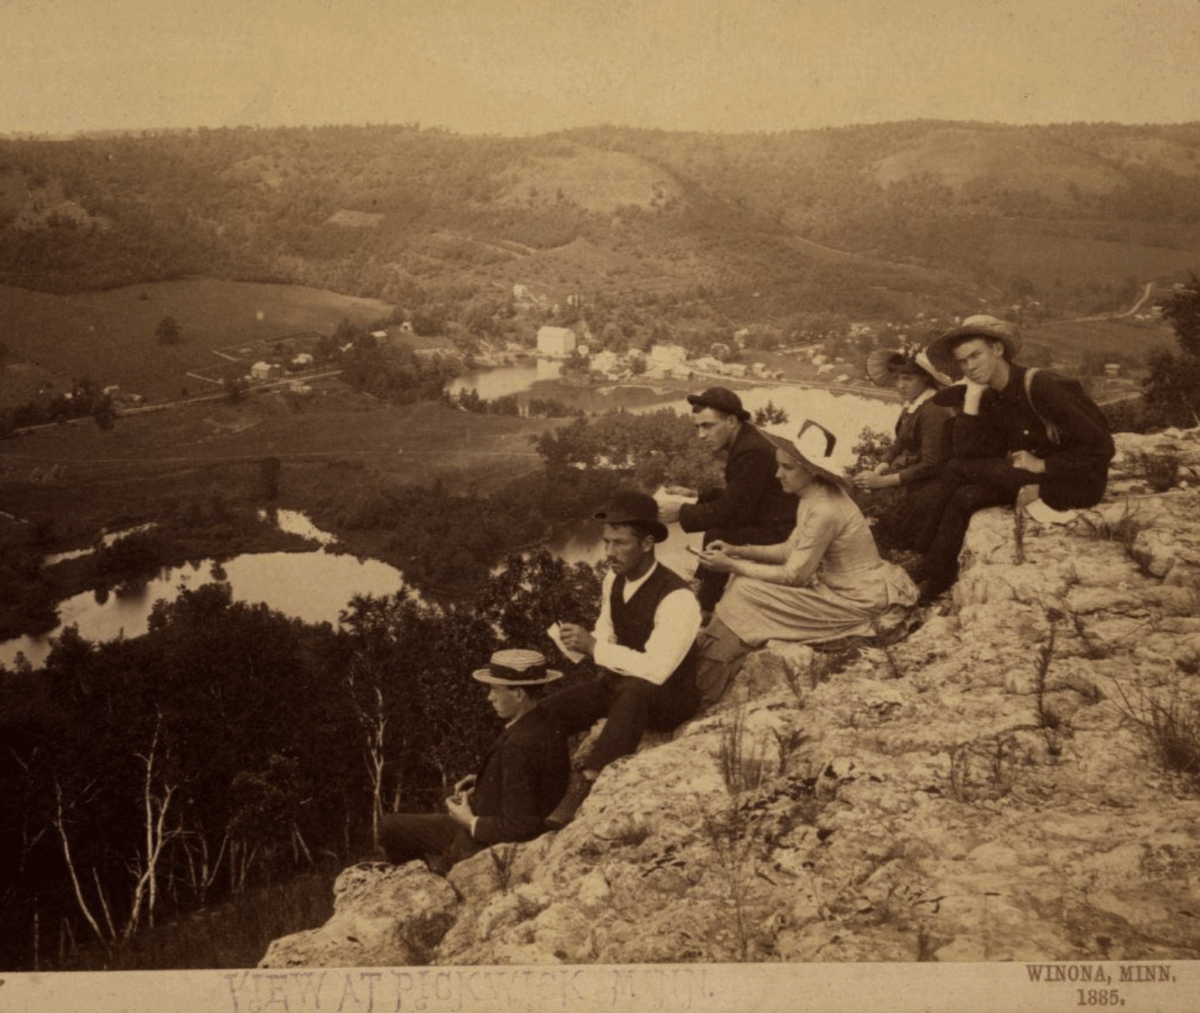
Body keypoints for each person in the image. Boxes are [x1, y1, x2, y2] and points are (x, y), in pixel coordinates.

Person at [694, 424, 919, 707]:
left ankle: (704, 682)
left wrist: (732, 566)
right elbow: (790, 550)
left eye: (787, 468)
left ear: (811, 469)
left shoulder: (824, 508)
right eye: (778, 466)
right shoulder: (813, 495)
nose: (778, 475)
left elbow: (794, 575)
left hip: (859, 600)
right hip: (847, 589)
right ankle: (708, 667)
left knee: (743, 591)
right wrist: (736, 550)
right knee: (744, 588)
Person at [910, 315, 1115, 601]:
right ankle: (936, 574)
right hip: (1034, 479)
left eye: (976, 355)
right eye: (963, 362)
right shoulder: (993, 396)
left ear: (998, 350)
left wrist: (1044, 464)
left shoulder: (1042, 384)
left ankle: (923, 559)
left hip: (1076, 482)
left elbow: (1101, 447)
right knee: (967, 497)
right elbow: (970, 452)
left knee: (957, 470)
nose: (971, 367)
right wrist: (971, 399)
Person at [541, 491, 703, 828]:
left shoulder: (678, 598)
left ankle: (586, 780)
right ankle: (545, 784)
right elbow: (607, 632)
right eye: (606, 542)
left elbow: (657, 671)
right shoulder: (612, 579)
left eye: (620, 543)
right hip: (623, 683)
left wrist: (596, 648)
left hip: (669, 697)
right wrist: (579, 642)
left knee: (635, 690)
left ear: (646, 544)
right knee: (548, 711)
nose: (609, 553)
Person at [379, 648, 569, 872]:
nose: (490, 697)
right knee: (390, 826)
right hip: (489, 819)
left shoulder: (519, 745)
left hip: (486, 841)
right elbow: (529, 784)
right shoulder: (542, 722)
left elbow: (520, 826)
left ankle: (423, 880)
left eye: (495, 689)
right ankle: (417, 875)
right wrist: (484, 782)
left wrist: (469, 821)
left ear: (518, 693)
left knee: (400, 838)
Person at [656, 386, 797, 614]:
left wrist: (680, 512)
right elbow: (742, 495)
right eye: (698, 427)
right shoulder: (748, 440)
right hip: (773, 521)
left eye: (707, 426)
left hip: (784, 533)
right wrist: (697, 495)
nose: (701, 435)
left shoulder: (751, 451)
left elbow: (732, 512)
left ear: (731, 421)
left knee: (718, 535)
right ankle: (705, 594)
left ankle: (705, 610)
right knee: (717, 534)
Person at [853, 343, 956, 553]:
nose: (900, 385)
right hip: (910, 474)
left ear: (926, 378)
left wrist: (881, 482)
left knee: (885, 520)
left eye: (907, 379)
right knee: (857, 491)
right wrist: (878, 469)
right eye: (897, 379)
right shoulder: (913, 405)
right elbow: (899, 442)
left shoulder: (934, 409)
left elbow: (931, 464)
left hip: (930, 482)